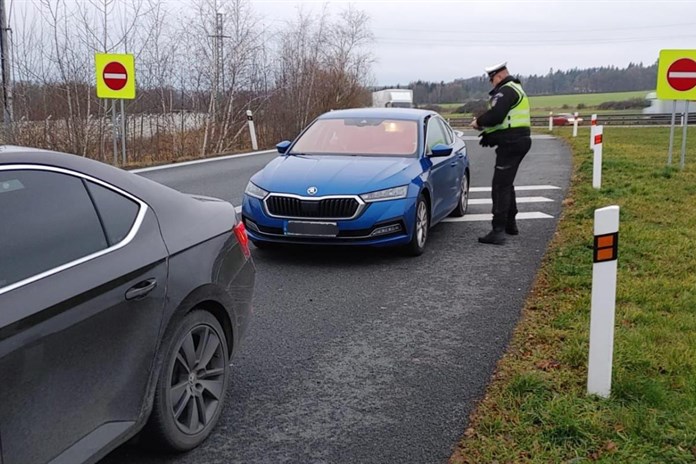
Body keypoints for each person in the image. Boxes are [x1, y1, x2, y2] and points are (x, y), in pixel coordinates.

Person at [470, 62, 532, 245]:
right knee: (506, 182)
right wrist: (491, 134)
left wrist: (479, 122)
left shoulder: (506, 90)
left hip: (512, 143)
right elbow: (507, 122)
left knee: (500, 186)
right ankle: (510, 225)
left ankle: (498, 230)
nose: (491, 83)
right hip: (516, 140)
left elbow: (497, 115)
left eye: (491, 79)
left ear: (498, 76)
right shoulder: (515, 89)